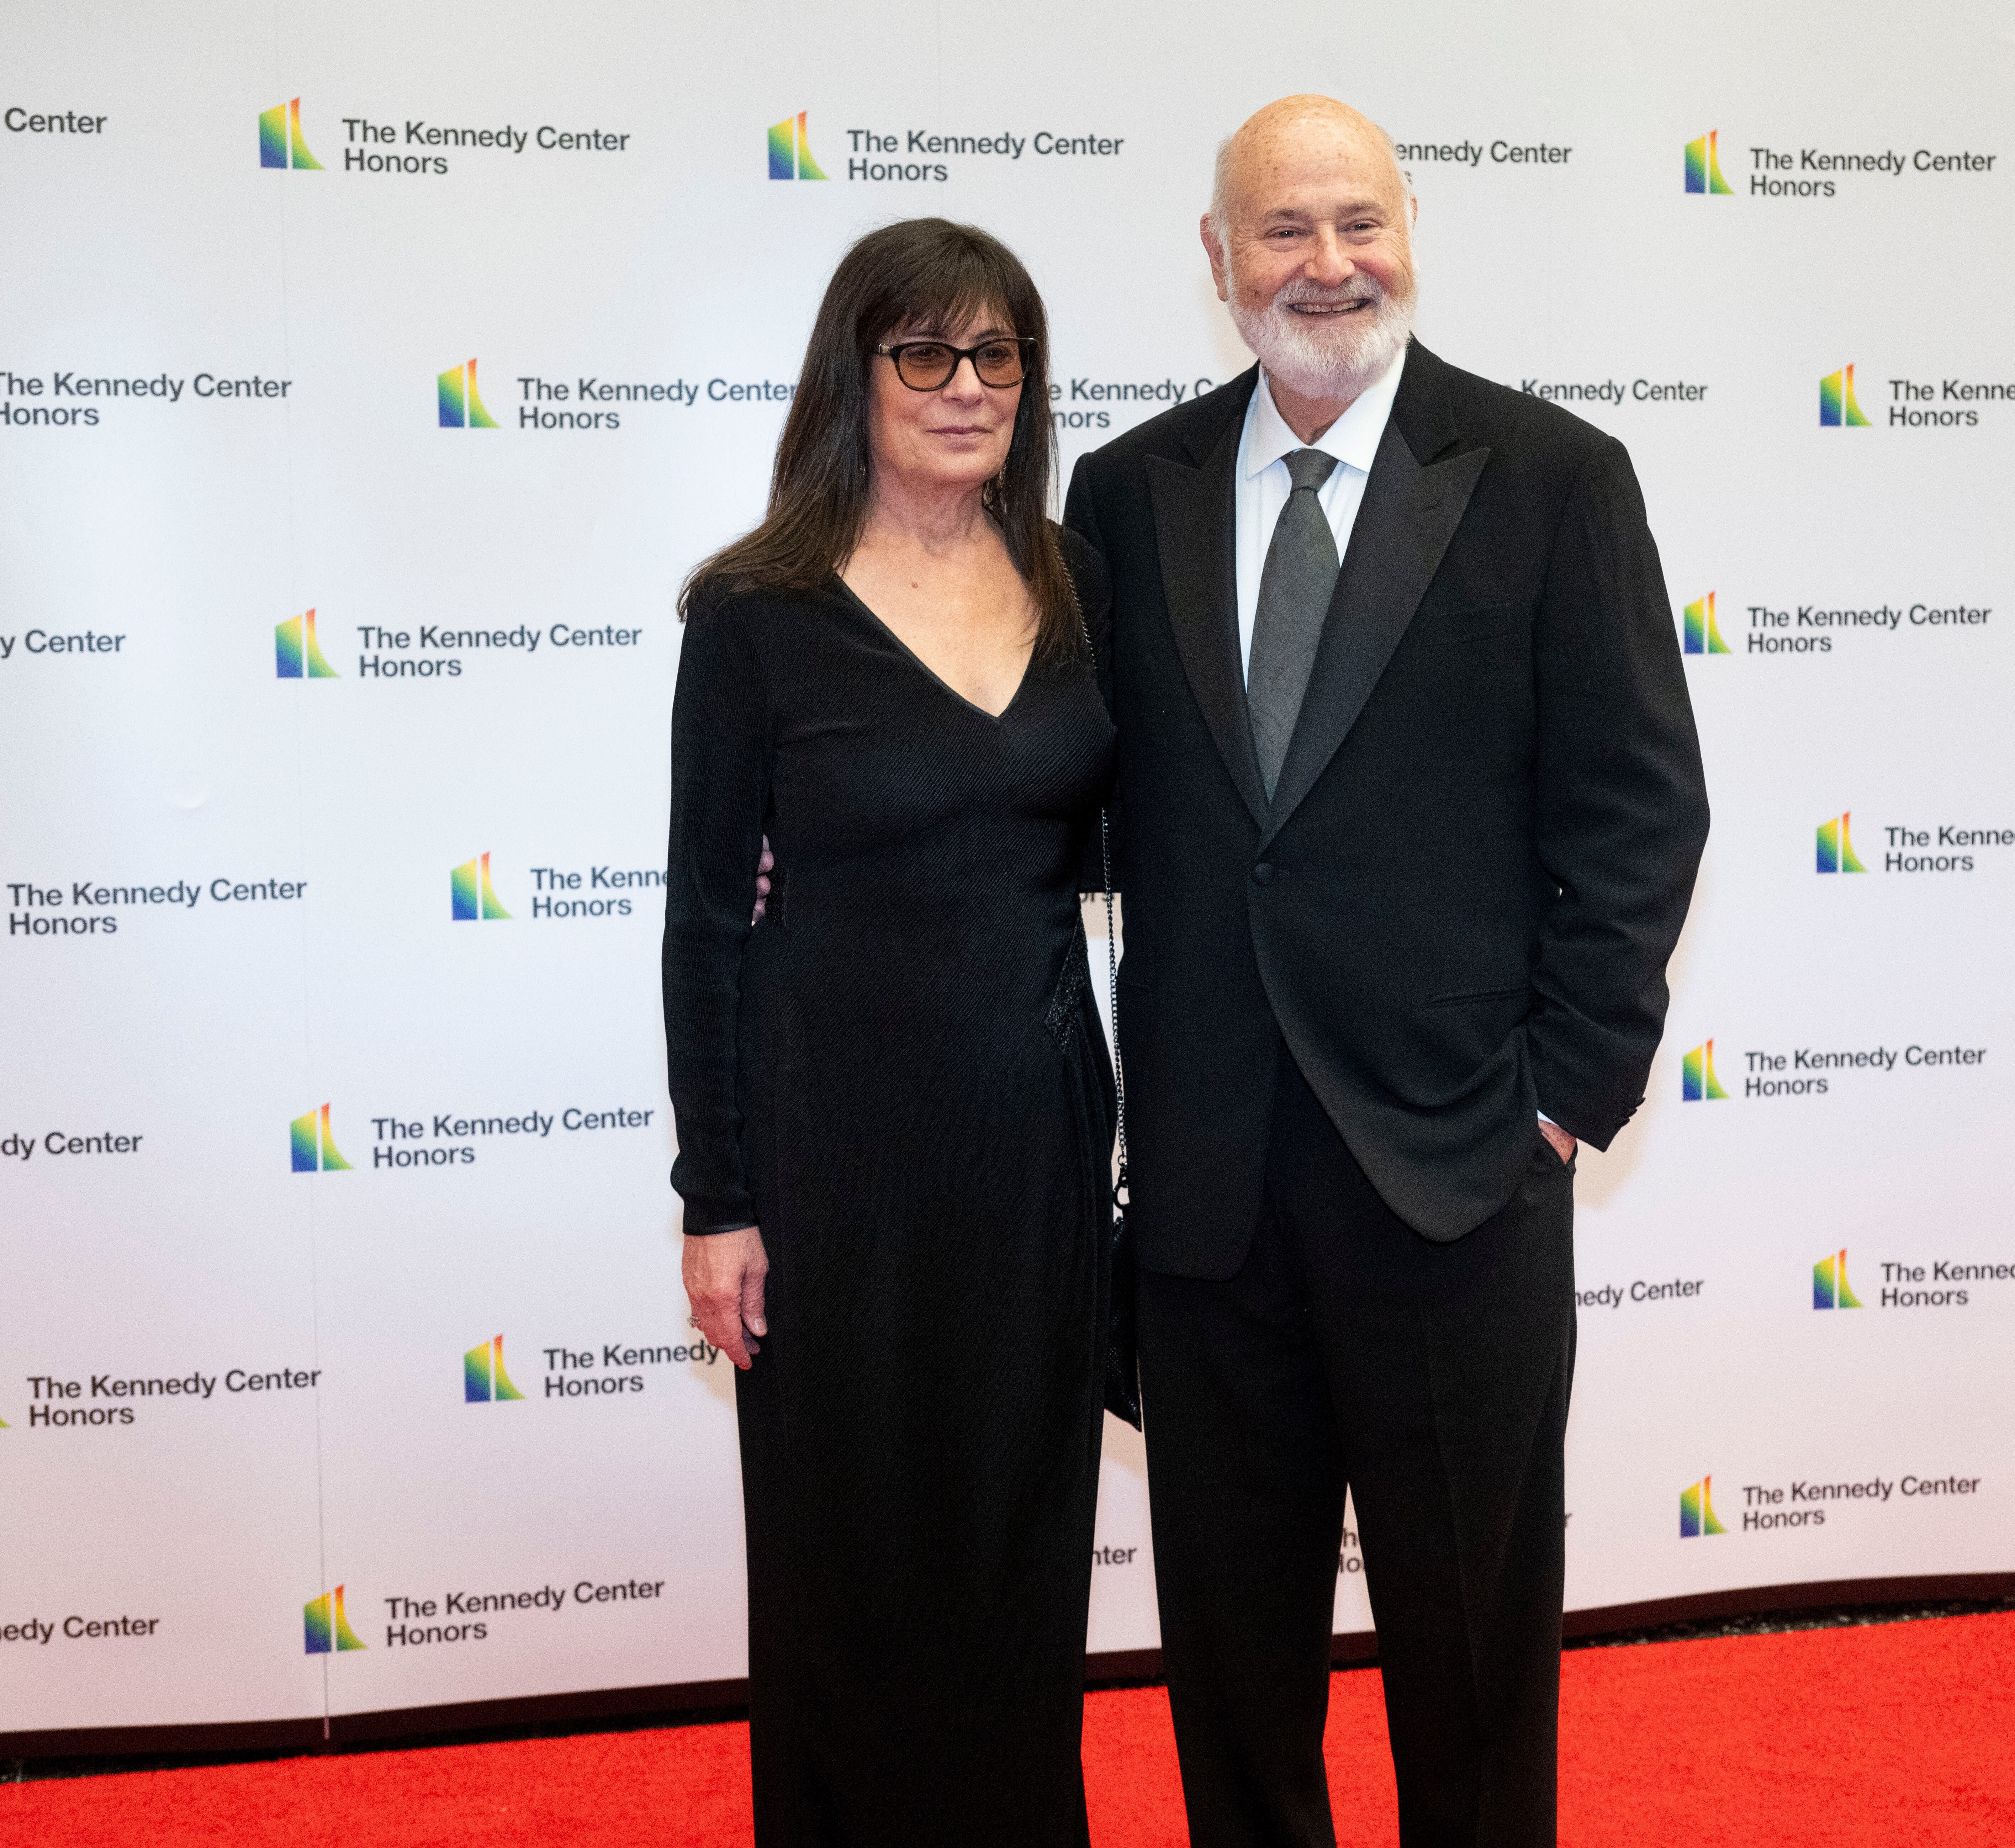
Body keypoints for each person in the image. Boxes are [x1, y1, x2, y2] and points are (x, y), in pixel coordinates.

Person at [1063, 96, 1709, 1846]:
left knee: (1474, 1671)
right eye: (1283, 229)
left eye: (1358, 222)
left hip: (1455, 1183)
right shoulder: (1124, 495)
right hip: (1205, 1200)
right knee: (1233, 1677)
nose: (1326, 264)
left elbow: (1640, 810)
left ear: (1411, 233)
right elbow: (1071, 791)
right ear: (1217, 261)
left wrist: (1561, 1104)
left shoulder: (1551, 478)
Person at [662, 217, 1115, 1846]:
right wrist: (717, 1196)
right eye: (924, 349)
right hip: (827, 1156)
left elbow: (1141, 843)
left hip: (1038, 1151)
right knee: (847, 1558)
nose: (966, 384)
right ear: (853, 372)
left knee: (1014, 1548)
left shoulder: (1081, 589)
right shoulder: (755, 613)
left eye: (998, 353)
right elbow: (706, 920)